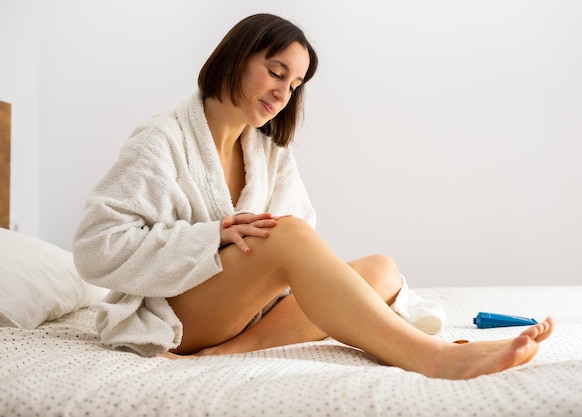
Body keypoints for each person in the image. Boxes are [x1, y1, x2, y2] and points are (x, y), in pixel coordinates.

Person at [73, 13, 553, 380]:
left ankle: (236, 350)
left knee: (381, 269)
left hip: (245, 314)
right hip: (181, 312)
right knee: (289, 237)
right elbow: (96, 247)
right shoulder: (162, 140)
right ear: (237, 56)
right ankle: (434, 357)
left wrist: (288, 271)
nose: (283, 92)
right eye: (276, 72)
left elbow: (295, 259)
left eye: (294, 83)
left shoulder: (268, 154)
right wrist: (209, 237)